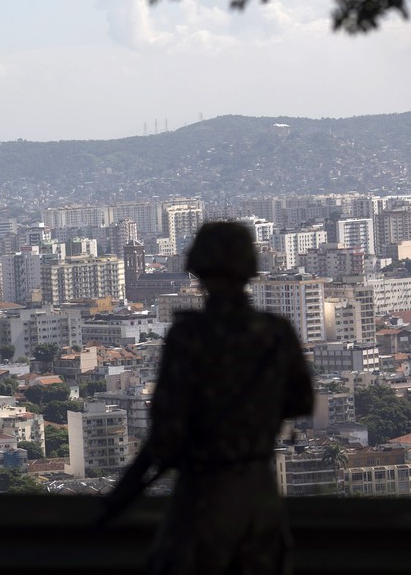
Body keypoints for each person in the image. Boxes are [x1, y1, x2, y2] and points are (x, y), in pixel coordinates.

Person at [102, 221, 314, 575]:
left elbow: (165, 434)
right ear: (248, 268)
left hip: (206, 493)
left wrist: (122, 493)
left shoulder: (190, 336)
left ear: (198, 269)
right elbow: (301, 402)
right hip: (259, 491)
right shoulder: (276, 332)